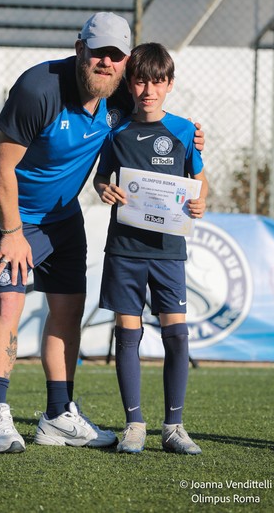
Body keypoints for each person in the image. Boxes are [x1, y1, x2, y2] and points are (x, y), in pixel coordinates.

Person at [0, 13, 205, 454]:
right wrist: (11, 231)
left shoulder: (122, 91)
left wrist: (192, 137)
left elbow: (157, 113)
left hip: (63, 219)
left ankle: (58, 415)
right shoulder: (37, 89)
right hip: (8, 213)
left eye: (116, 56)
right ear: (79, 47)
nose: (107, 62)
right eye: (98, 51)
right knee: (8, 301)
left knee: (67, 310)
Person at [93, 42, 208, 455]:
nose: (148, 90)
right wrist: (104, 188)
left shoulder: (183, 130)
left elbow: (199, 177)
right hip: (124, 248)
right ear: (131, 83)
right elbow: (101, 177)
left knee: (176, 333)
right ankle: (134, 424)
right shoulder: (117, 130)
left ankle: (174, 426)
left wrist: (201, 201)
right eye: (140, 81)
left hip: (168, 249)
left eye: (157, 82)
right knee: (128, 333)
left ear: (170, 84)